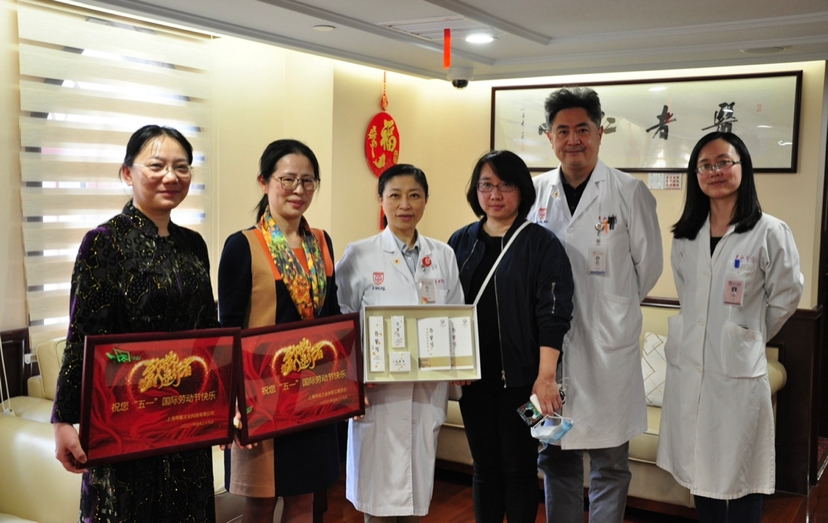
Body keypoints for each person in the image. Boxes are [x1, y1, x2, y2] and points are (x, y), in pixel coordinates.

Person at [52, 125, 219, 522]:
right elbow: (82, 335)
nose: (171, 176)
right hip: (124, 420)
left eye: (182, 167)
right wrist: (62, 419)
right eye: (157, 166)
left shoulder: (193, 245)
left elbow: (209, 333)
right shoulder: (104, 242)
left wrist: (222, 402)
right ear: (128, 173)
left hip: (187, 417)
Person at [528, 87, 663, 523]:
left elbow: (649, 268)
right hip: (551, 354)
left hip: (609, 352)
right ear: (549, 137)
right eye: (563, 131)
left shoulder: (629, 191)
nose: (573, 140)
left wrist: (610, 307)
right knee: (555, 459)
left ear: (600, 133)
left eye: (583, 129)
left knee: (610, 464)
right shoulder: (534, 193)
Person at [656, 131, 803, 523]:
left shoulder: (770, 231)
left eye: (724, 162)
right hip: (691, 371)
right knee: (699, 474)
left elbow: (787, 295)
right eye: (705, 165)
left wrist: (747, 335)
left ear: (743, 168)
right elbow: (689, 298)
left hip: (738, 376)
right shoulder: (685, 236)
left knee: (741, 478)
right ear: (695, 176)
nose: (714, 172)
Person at [218, 139, 341, 523]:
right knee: (260, 502)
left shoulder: (321, 242)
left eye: (308, 181)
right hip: (262, 394)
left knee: (304, 498)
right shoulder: (243, 245)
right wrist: (231, 400)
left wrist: (346, 382)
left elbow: (333, 316)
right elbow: (228, 328)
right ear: (264, 182)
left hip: (314, 389)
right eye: (288, 179)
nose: (298, 190)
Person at [448, 150, 574, 523]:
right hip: (473, 381)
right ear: (475, 191)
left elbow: (553, 314)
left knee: (520, 468)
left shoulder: (541, 244)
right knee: (484, 466)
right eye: (486, 185)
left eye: (505, 185)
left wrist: (546, 377)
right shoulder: (460, 242)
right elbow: (445, 308)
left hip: (524, 382)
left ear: (521, 190)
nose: (495, 194)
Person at [336, 164, 464, 522]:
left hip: (425, 393)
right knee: (376, 508)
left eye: (414, 195)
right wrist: (354, 378)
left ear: (426, 200)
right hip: (377, 395)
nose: (405, 204)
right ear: (380, 199)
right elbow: (342, 326)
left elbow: (455, 319)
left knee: (415, 504)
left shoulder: (443, 255)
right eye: (395, 195)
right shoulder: (359, 254)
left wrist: (459, 367)